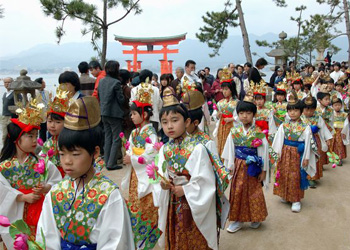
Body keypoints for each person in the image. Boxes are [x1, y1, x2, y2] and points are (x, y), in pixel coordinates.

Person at [36, 97, 135, 249]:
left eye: (75, 154)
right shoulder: (56, 192)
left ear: (95, 152)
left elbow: (115, 244)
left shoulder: (109, 195)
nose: (67, 161)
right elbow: (46, 238)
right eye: (62, 154)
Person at [156, 87, 218, 249]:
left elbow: (206, 181)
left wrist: (186, 190)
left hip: (191, 202)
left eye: (175, 120)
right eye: (164, 122)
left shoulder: (198, 148)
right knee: (175, 232)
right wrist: (162, 183)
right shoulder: (164, 149)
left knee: (193, 235)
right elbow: (158, 174)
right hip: (172, 200)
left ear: (187, 122)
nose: (169, 126)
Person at [0, 98, 62, 248]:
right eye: (30, 136)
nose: (35, 140)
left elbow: (59, 183)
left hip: (40, 211)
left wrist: (46, 188)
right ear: (16, 139)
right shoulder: (4, 167)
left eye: (36, 136)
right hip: (16, 213)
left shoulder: (42, 163)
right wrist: (21, 197)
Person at [222, 91, 269, 233]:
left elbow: (264, 151)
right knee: (237, 192)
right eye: (241, 113)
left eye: (248, 113)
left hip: (253, 167)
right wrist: (229, 166)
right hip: (238, 165)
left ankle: (256, 217)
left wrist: (264, 170)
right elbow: (229, 149)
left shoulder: (258, 132)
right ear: (238, 114)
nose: (244, 116)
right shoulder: (234, 131)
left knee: (254, 192)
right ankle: (237, 220)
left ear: (254, 114)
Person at [122, 82, 161, 249]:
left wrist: (133, 158)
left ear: (144, 115)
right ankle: (138, 236)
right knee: (135, 204)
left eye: (134, 113)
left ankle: (147, 238)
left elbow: (151, 154)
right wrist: (130, 154)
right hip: (136, 175)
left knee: (146, 205)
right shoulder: (136, 132)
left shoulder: (150, 132)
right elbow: (131, 147)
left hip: (144, 174)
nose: (131, 116)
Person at [272, 91, 316, 213]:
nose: (292, 113)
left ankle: (296, 199)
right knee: (285, 173)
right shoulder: (283, 126)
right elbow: (278, 141)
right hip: (285, 152)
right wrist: (277, 154)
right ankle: (286, 195)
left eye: (296, 110)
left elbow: (307, 143)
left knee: (296, 175)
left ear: (301, 112)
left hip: (298, 154)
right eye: (290, 110)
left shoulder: (305, 127)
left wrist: (306, 157)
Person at [98, 60, 125, 171]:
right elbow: (121, 100)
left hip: (104, 113)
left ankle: (107, 161)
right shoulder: (116, 83)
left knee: (107, 137)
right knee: (116, 138)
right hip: (114, 114)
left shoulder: (101, 81)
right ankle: (111, 163)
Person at [301, 94, 332, 188]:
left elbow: (323, 128)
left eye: (311, 109)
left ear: (315, 109)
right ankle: (303, 176)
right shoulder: (300, 117)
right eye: (306, 109)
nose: (309, 112)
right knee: (303, 158)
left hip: (315, 140)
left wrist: (327, 138)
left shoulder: (318, 117)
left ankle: (312, 177)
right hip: (303, 141)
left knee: (314, 158)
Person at [40, 85, 70, 178]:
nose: (52, 125)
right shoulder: (47, 144)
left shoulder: (70, 141)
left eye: (57, 122)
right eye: (49, 121)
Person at [216, 68, 238, 157]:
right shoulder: (220, 102)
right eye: (223, 89)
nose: (224, 91)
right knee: (221, 142)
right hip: (222, 125)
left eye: (226, 89)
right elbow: (216, 115)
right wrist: (218, 115)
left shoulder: (237, 103)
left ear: (231, 89)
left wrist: (232, 119)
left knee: (231, 144)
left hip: (232, 126)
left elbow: (238, 117)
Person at [330, 96, 349, 166]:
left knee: (340, 145)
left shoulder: (344, 114)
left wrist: (344, 132)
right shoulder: (331, 114)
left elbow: (346, 124)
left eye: (339, 105)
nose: (337, 107)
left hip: (340, 131)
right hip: (333, 131)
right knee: (333, 144)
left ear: (341, 105)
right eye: (335, 105)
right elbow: (330, 123)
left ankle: (339, 158)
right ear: (332, 106)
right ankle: (333, 158)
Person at [120, 69, 134, 139]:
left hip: (118, 117)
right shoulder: (129, 90)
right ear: (128, 79)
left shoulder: (116, 88)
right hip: (127, 117)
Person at [35, 77, 50, 142]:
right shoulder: (35, 93)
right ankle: (42, 144)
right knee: (42, 131)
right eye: (43, 82)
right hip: (40, 115)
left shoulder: (47, 92)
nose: (45, 83)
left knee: (49, 130)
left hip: (48, 114)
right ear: (40, 84)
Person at [2, 77, 15, 143]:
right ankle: (4, 151)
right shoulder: (5, 94)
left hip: (11, 117)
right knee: (4, 135)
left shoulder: (15, 94)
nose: (7, 84)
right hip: (4, 117)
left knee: (11, 135)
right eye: (5, 82)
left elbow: (19, 106)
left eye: (8, 82)